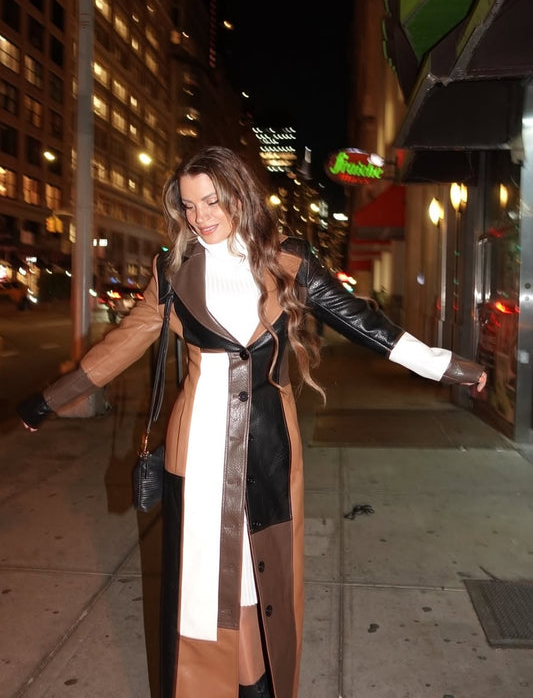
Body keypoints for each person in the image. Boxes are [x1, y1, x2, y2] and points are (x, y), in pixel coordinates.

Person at [18, 146, 487, 698]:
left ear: (240, 196)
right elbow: (124, 341)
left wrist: (444, 365)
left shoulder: (287, 261)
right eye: (189, 205)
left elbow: (361, 321)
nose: (200, 216)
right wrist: (49, 400)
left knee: (263, 576)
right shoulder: (174, 272)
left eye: (211, 201)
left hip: (269, 446)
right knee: (206, 586)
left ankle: (259, 683)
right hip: (197, 450)